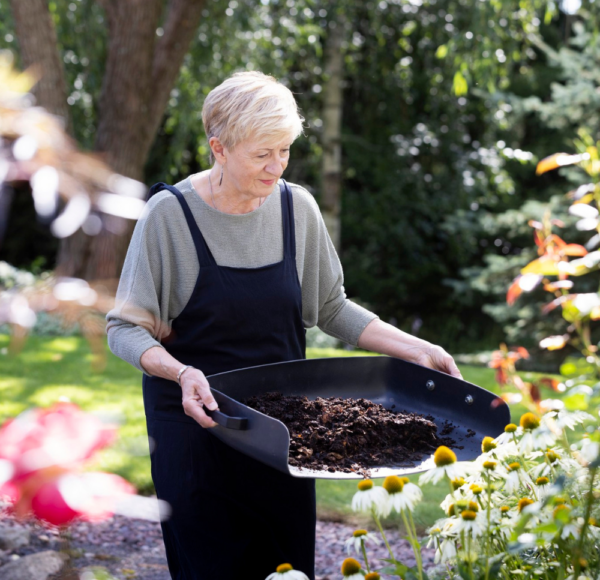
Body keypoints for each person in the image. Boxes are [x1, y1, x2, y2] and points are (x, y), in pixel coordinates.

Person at [106, 71, 462, 580]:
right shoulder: (169, 217)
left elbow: (331, 306)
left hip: (286, 435)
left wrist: (415, 347)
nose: (277, 167)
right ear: (219, 149)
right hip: (197, 431)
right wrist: (180, 372)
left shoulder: (297, 208)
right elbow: (125, 329)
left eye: (285, 151)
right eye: (262, 154)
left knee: (287, 569)